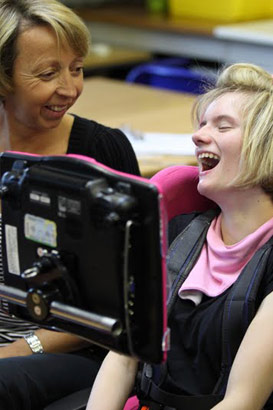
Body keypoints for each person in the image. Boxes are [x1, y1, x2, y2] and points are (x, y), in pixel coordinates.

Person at [87, 62, 273, 410]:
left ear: (266, 146)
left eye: (223, 126)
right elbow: (123, 358)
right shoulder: (176, 231)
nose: (198, 136)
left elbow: (242, 401)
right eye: (202, 124)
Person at [0, 0, 140, 409]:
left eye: (76, 68)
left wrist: (20, 349)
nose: (69, 88)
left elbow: (125, 303)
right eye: (47, 74)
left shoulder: (100, 152)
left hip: (79, 352)